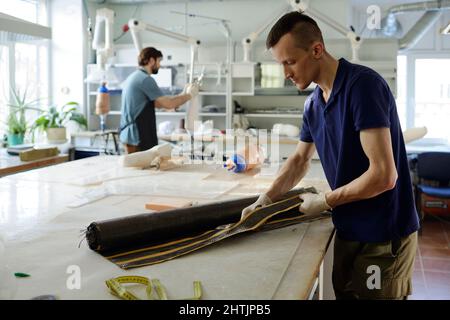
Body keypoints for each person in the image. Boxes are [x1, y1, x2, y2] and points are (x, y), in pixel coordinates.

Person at [241, 12, 419, 300]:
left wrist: (324, 200)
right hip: (348, 226)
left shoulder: (362, 87)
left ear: (316, 50)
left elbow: (384, 176)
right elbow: (299, 161)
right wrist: (266, 199)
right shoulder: (313, 104)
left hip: (384, 232)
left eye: (290, 62)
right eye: (281, 64)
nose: (286, 73)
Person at [119, 47, 198, 154]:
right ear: (151, 60)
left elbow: (158, 103)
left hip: (130, 135)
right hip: (137, 135)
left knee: (137, 169)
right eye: (159, 61)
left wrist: (182, 95)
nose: (160, 65)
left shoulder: (135, 76)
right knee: (140, 169)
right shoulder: (145, 79)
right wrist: (189, 95)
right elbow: (168, 104)